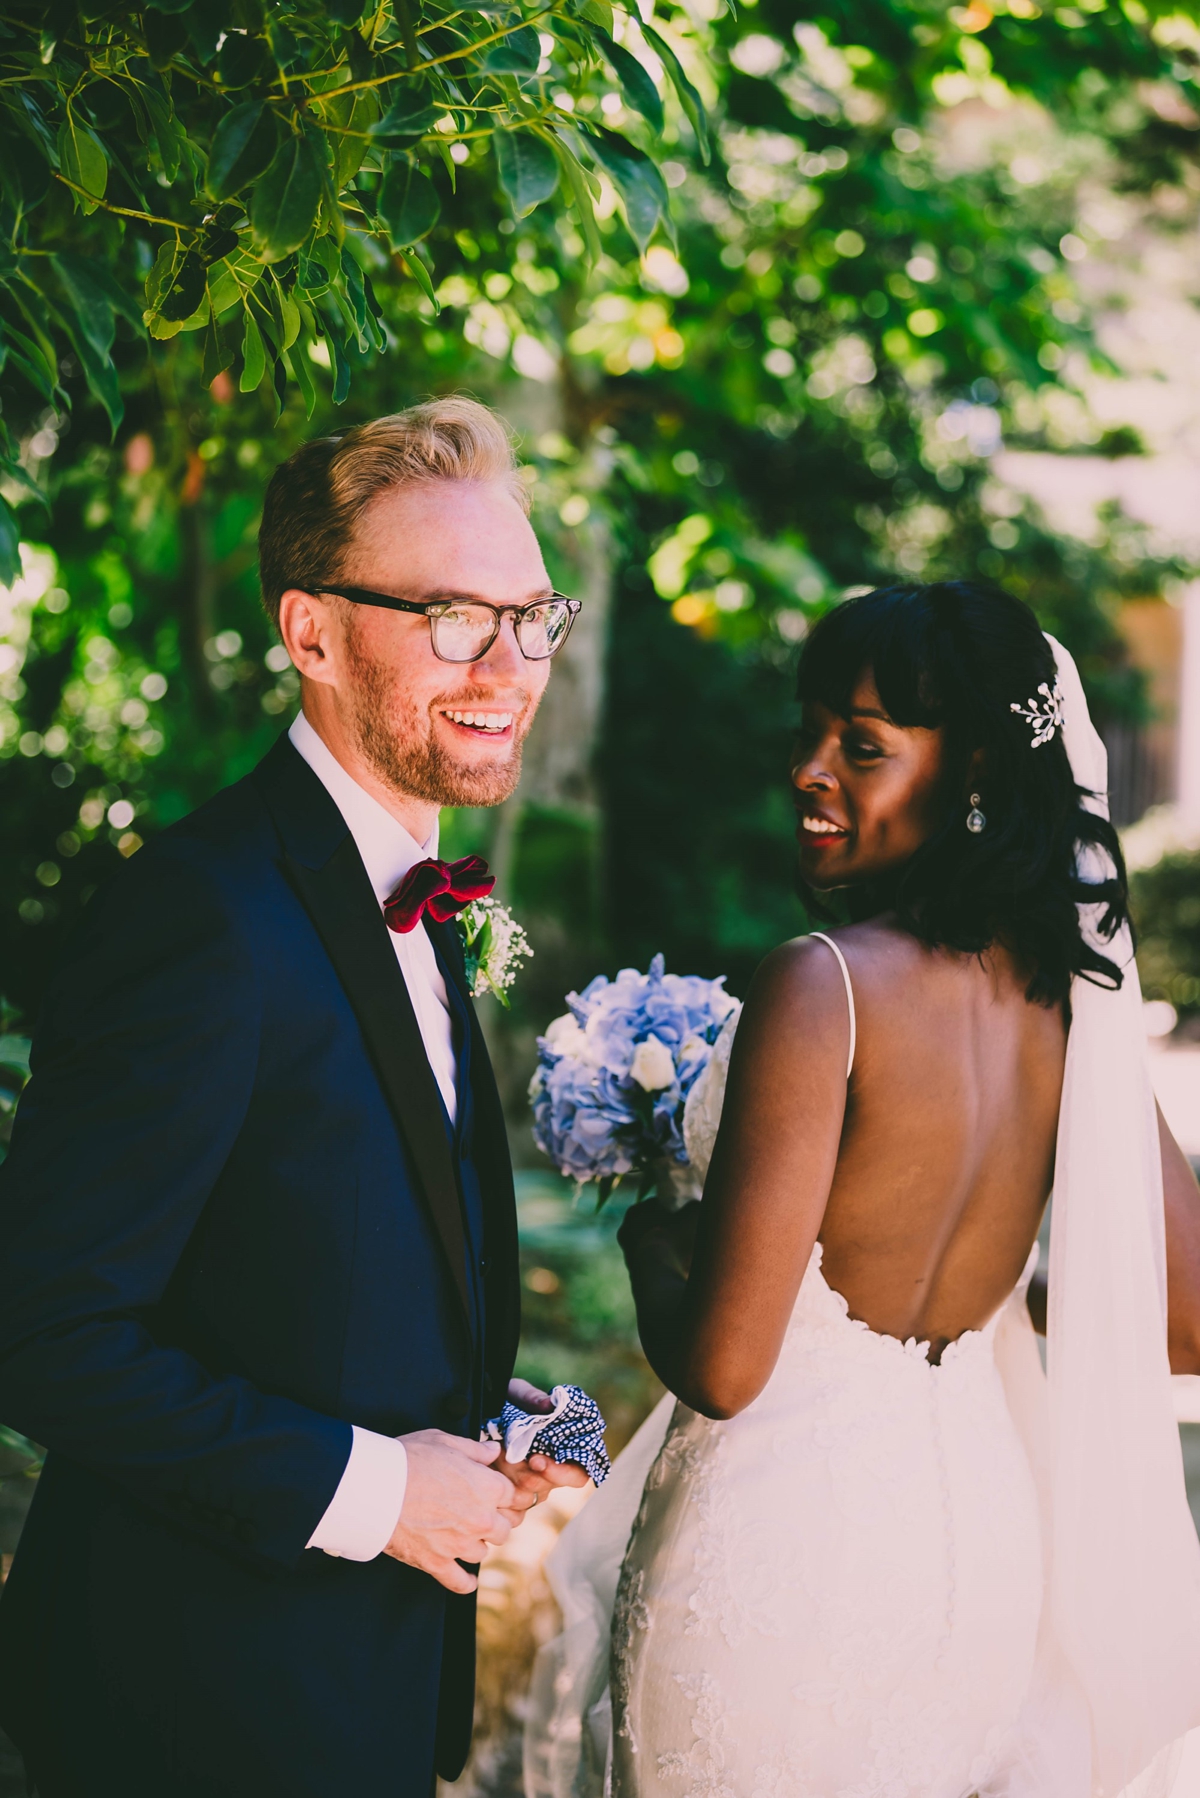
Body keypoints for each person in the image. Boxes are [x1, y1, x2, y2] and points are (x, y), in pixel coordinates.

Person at [0, 397, 588, 1798]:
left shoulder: (408, 891)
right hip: (193, 1707)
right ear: (312, 634)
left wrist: (476, 1406)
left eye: (530, 615)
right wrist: (379, 1489)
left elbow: (295, 1247)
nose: (508, 662)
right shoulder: (202, 916)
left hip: (361, 1694)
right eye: (451, 616)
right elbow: (42, 1327)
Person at [528, 582, 1200, 1798]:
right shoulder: (1071, 1004)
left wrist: (654, 1244)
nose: (810, 769)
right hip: (981, 1553)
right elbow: (1191, 1317)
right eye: (809, 731)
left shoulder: (821, 985)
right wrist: (998, 1292)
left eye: (865, 745)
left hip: (784, 1556)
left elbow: (727, 1367)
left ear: (978, 768)